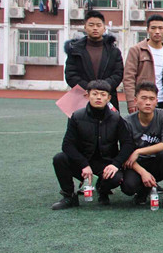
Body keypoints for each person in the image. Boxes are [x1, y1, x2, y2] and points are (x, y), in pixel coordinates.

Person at [51, 80, 133, 210]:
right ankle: (69, 196)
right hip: (83, 163)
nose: (98, 97)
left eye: (103, 94)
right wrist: (84, 164)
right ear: (87, 95)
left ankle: (103, 190)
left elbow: (128, 144)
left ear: (109, 98)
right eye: (95, 94)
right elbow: (67, 145)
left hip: (106, 164)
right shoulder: (76, 116)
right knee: (59, 158)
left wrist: (115, 164)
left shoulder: (116, 118)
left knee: (115, 178)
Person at [120, 82, 163, 210]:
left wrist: (139, 151)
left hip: (157, 162)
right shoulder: (127, 121)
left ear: (156, 101)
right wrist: (143, 172)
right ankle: (143, 190)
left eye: (152, 99)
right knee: (128, 187)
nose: (148, 102)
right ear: (135, 101)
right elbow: (124, 152)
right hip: (137, 164)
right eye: (144, 98)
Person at [64, 10, 124, 111]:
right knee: (80, 120)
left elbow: (118, 74)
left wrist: (102, 88)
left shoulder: (114, 51)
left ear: (104, 28)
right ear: (85, 27)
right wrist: (89, 88)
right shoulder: (75, 50)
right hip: (82, 96)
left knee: (109, 121)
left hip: (107, 97)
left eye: (98, 25)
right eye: (91, 25)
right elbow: (71, 75)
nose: (95, 28)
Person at [123, 14, 163, 113]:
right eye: (153, 28)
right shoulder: (136, 50)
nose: (157, 31)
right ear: (148, 30)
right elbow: (128, 78)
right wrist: (131, 101)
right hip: (143, 101)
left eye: (160, 28)